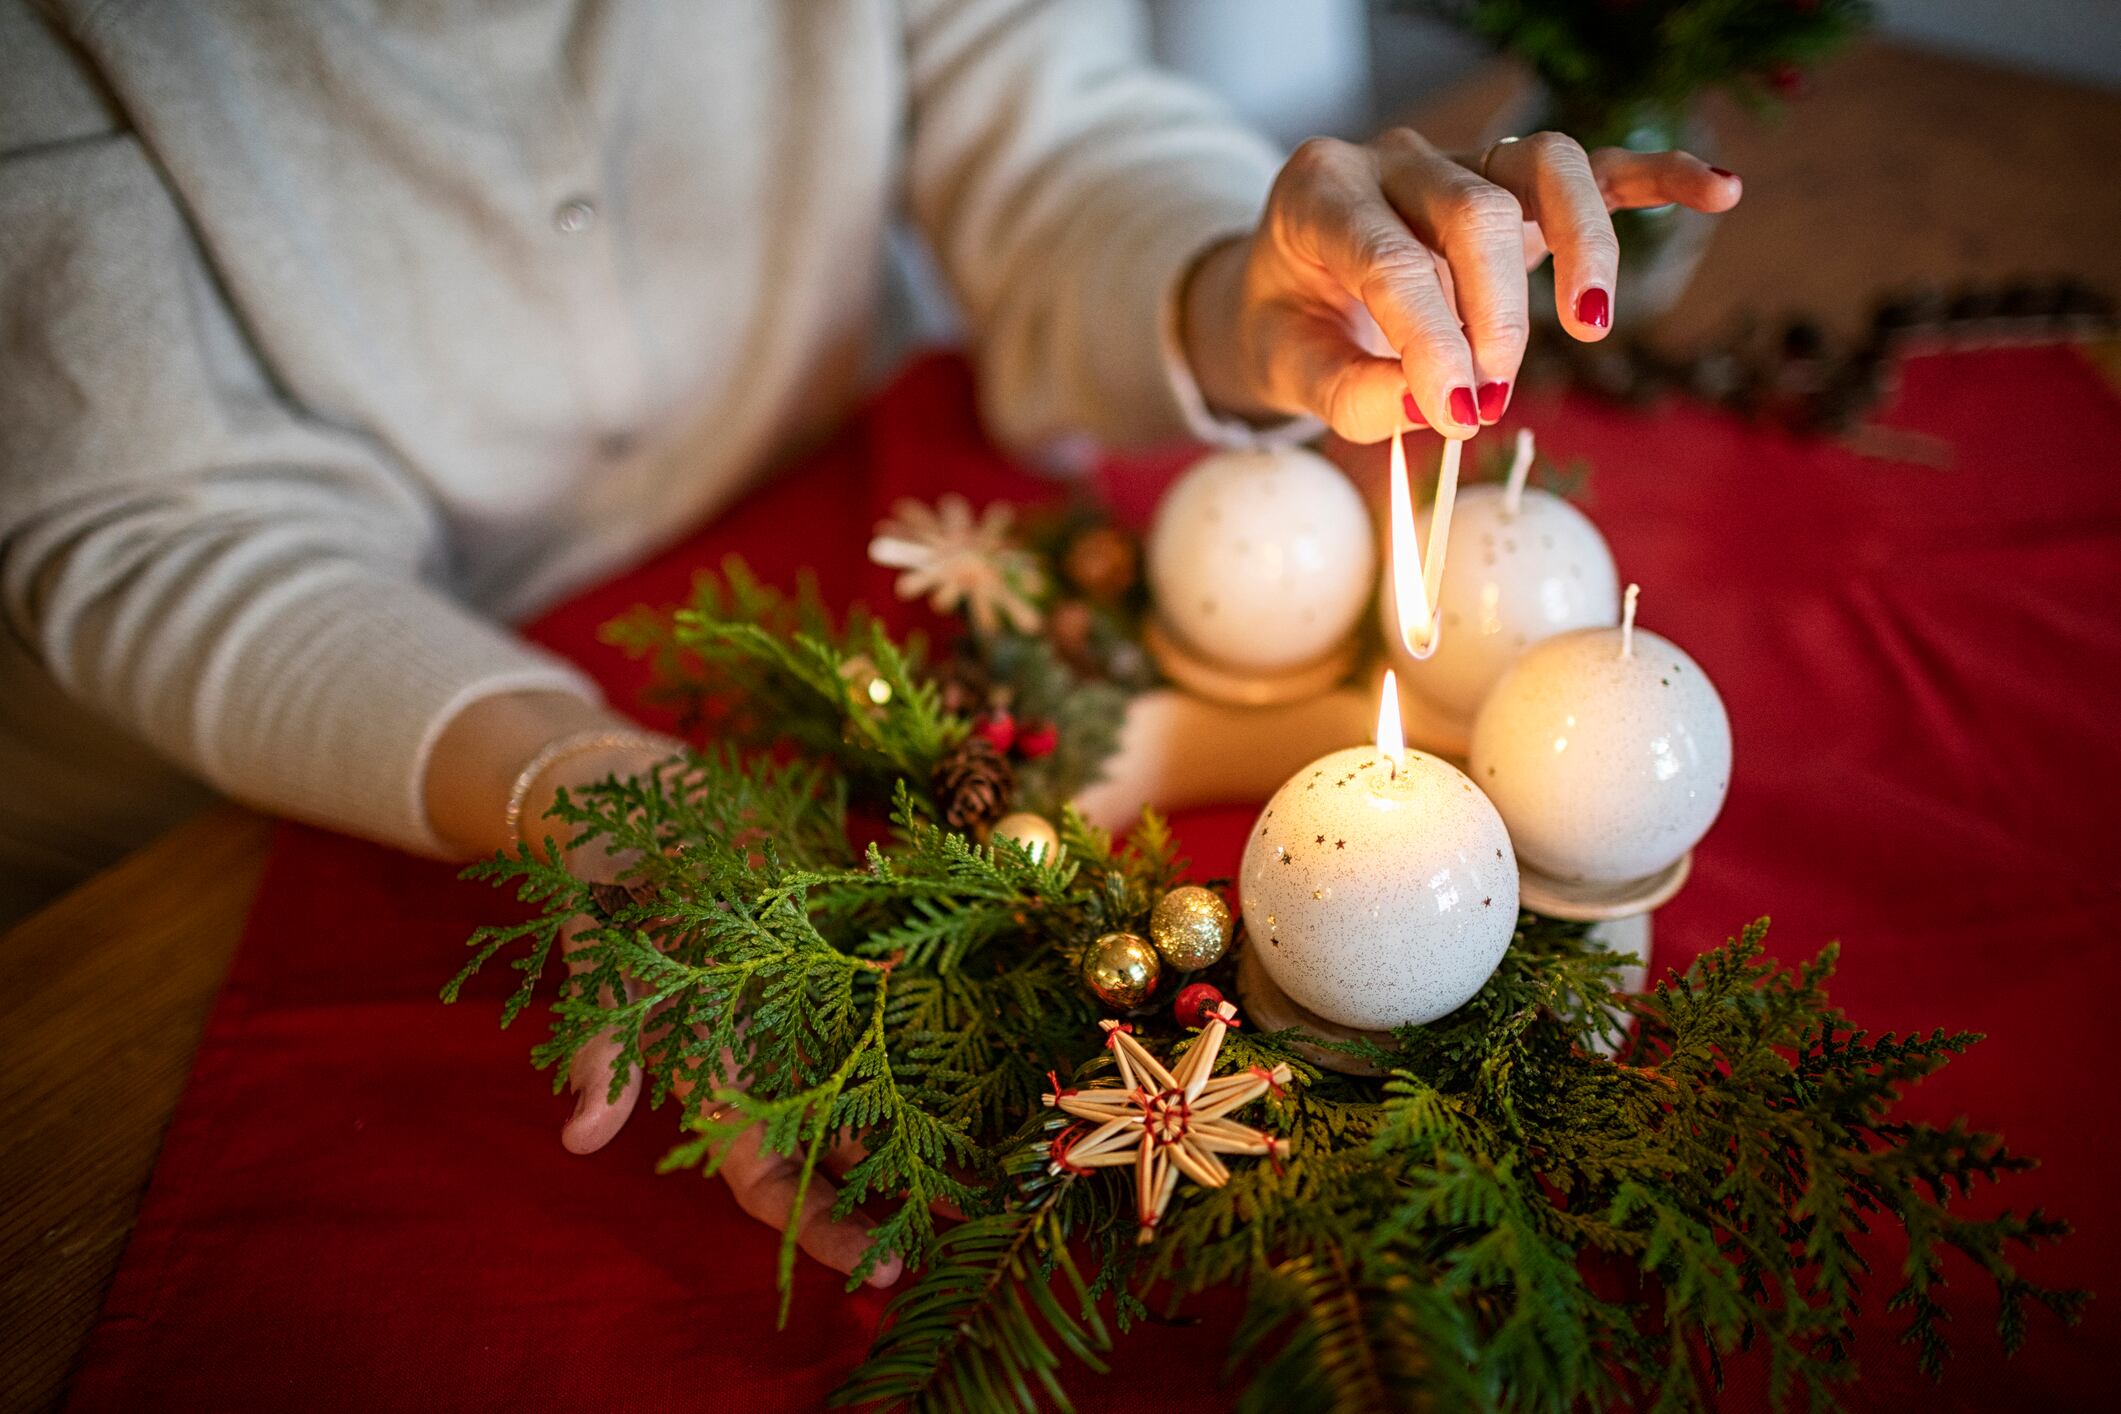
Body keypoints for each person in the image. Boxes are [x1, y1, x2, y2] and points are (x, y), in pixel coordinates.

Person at [0, 0, 1737, 1282]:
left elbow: (1047, 136)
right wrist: (597, 798)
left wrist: (1240, 296)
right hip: (245, 780)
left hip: (836, 566)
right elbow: (160, 525)